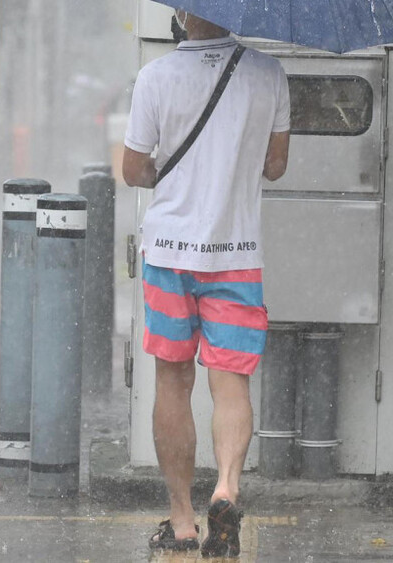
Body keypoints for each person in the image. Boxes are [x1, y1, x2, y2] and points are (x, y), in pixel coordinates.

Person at [122, 9, 290, 558]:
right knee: (231, 383)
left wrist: (169, 174)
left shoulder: (155, 77)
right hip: (237, 255)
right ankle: (226, 488)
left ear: (183, 13)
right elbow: (275, 165)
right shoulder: (268, 73)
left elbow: (133, 169)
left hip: (169, 253)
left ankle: (182, 519)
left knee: (172, 382)